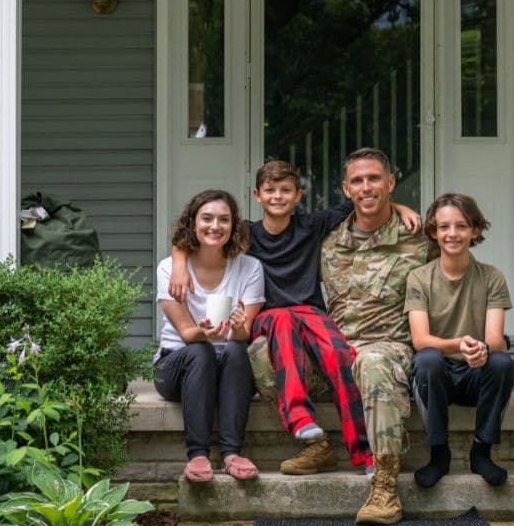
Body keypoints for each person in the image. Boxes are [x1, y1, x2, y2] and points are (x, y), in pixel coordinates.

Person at [168, 161, 421, 477]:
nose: (277, 196)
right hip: (268, 318)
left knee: (340, 353)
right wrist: (179, 263)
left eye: (285, 190)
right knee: (283, 321)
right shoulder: (246, 233)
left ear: (299, 195)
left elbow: (363, 202)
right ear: (257, 195)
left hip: (311, 313)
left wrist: (400, 207)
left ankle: (365, 452)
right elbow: (197, 234)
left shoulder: (311, 225)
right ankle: (300, 418)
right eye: (270, 190)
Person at [321, 147, 430, 525]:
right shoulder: (328, 239)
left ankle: (385, 485)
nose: (366, 187)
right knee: (259, 353)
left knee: (372, 361)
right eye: (357, 181)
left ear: (390, 183)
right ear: (345, 188)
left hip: (388, 347)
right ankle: (314, 444)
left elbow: (463, 245)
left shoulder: (419, 238)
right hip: (334, 351)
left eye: (374, 179)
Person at [404, 193, 514, 489]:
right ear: (433, 232)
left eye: (461, 226)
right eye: (443, 227)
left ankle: (481, 451)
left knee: (502, 363)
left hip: (474, 373)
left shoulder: (492, 277)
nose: (452, 234)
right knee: (426, 359)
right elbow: (420, 339)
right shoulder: (419, 278)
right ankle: (438, 453)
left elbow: (495, 339)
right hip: (437, 375)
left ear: (474, 230)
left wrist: (482, 349)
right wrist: (458, 345)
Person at [153, 189, 265, 483]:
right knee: (200, 351)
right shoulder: (169, 269)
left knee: (237, 350)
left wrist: (239, 326)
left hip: (229, 366)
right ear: (192, 223)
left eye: (224, 220)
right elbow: (188, 334)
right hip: (176, 365)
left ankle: (231, 453)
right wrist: (203, 332)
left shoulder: (250, 268)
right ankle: (198, 454)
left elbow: (243, 335)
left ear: (233, 226)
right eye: (207, 218)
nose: (215, 226)